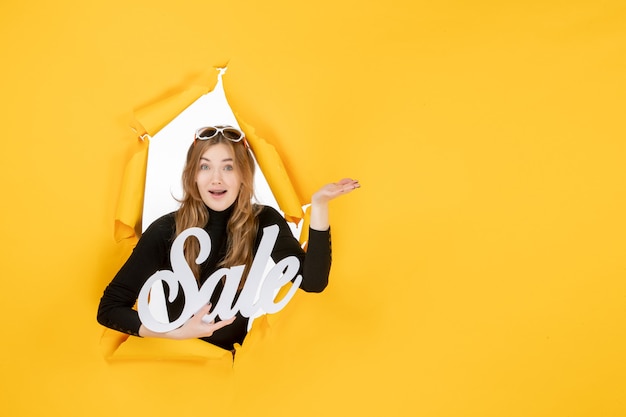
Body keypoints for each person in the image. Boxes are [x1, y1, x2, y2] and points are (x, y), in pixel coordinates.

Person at [97, 125, 359, 352]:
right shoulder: (167, 230)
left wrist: (320, 205)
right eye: (205, 166)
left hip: (239, 373)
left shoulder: (264, 222)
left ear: (244, 174)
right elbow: (109, 309)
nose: (216, 178)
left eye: (228, 167)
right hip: (183, 366)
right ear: (193, 176)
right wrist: (175, 332)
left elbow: (313, 282)